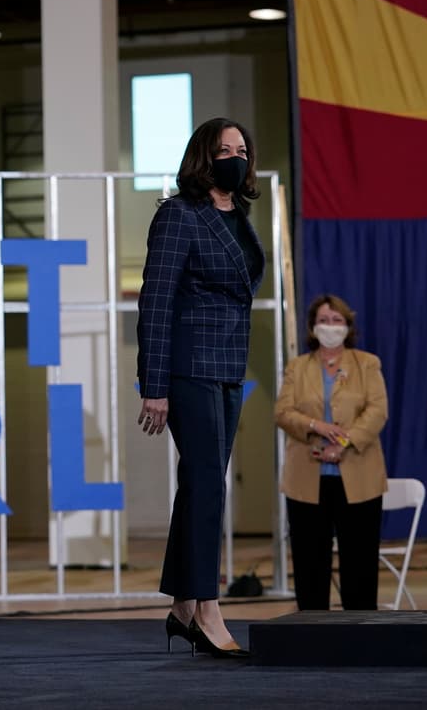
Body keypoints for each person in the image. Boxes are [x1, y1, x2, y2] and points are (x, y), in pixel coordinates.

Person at [136, 117, 264, 659]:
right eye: (223, 149)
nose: (233, 157)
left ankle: (183, 608)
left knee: (199, 484)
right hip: (189, 366)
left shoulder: (240, 216)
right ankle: (209, 611)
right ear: (202, 157)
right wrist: (154, 385)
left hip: (230, 366)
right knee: (210, 483)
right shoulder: (178, 215)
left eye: (240, 149)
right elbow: (156, 301)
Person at [275, 294, 388, 610]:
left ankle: (361, 634)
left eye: (337, 320)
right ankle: (312, 636)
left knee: (360, 563)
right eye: (324, 320)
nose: (330, 327)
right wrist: (317, 425)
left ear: (348, 326)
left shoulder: (367, 363)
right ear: (312, 327)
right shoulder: (298, 368)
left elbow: (377, 411)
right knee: (310, 564)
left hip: (358, 477)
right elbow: (283, 412)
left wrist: (343, 443)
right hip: (306, 480)